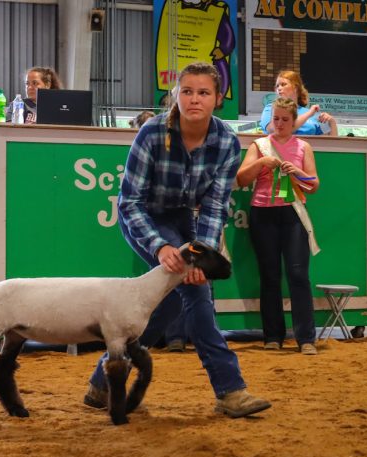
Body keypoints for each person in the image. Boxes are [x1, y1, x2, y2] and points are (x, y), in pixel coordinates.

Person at [83, 62, 271, 418]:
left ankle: (102, 382)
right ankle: (231, 390)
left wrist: (200, 256)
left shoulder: (228, 142)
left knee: (166, 306)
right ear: (176, 96)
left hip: (184, 217)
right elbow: (130, 201)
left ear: (218, 98)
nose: (194, 99)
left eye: (203, 93)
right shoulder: (152, 133)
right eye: (187, 91)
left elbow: (216, 206)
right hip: (144, 218)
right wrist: (161, 247)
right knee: (197, 292)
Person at [237, 97, 321, 355]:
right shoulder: (259, 145)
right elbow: (241, 179)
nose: (280, 124)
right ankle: (273, 336)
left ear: (294, 121)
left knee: (298, 275)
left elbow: (314, 184)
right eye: (276, 119)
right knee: (270, 276)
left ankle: (305, 338)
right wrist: (261, 163)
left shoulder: (303, 146)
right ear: (270, 120)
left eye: (285, 120)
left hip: (293, 213)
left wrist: (296, 170)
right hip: (263, 214)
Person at [259, 70, 338, 136]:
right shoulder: (270, 108)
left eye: (283, 84)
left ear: (295, 88)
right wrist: (309, 114)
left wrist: (332, 122)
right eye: (277, 86)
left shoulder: (311, 114)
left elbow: (331, 144)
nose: (279, 88)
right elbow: (273, 130)